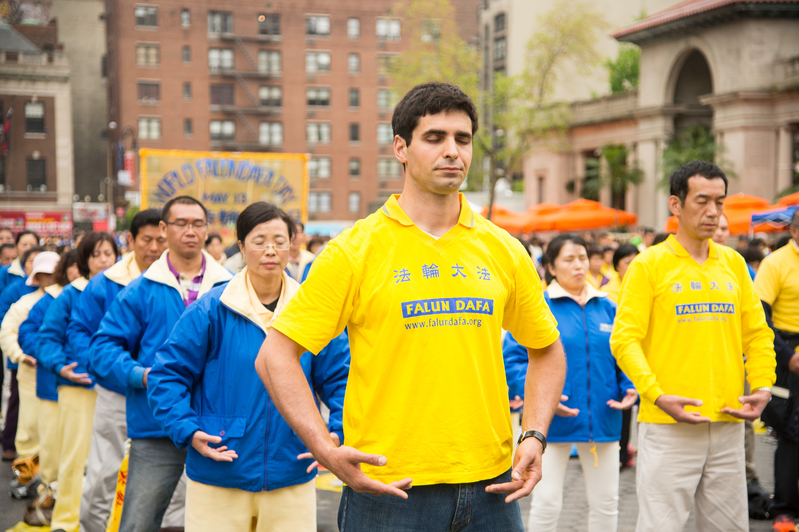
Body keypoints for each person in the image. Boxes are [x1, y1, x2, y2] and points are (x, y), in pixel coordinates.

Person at [255, 82, 566, 532]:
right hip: (389, 491)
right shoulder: (353, 251)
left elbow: (547, 349)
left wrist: (534, 433)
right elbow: (274, 356)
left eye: (462, 139)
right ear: (401, 148)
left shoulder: (504, 249)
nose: (452, 151)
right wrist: (325, 449)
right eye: (434, 138)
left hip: (493, 489)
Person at [148, 202, 350, 532]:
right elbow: (168, 375)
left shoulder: (312, 310)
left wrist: (336, 432)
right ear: (241, 246)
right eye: (259, 241)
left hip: (292, 466)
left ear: (292, 245)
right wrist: (188, 430)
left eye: (279, 241)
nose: (270, 250)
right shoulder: (212, 309)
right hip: (219, 466)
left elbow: (342, 378)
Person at [610, 160, 776, 531]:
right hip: (668, 424)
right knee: (660, 526)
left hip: (728, 422)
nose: (713, 212)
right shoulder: (649, 265)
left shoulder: (733, 264)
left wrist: (763, 386)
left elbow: (757, 334)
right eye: (702, 201)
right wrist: (656, 395)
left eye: (720, 202)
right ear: (676, 204)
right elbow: (624, 339)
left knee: (729, 527)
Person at [91, 196, 232, 532]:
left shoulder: (231, 287)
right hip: (156, 425)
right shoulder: (141, 290)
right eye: (181, 223)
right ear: (164, 229)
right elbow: (102, 348)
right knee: (139, 521)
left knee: (215, 522)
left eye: (197, 224)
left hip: (218, 426)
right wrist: (140, 375)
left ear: (207, 229)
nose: (190, 231)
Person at [504, 234, 637, 532]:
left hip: (603, 416)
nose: (579, 265)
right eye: (569, 259)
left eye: (583, 258)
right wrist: (543, 397)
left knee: (606, 502)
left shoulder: (608, 306)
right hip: (549, 423)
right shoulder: (538, 306)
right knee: (546, 502)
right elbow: (513, 360)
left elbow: (623, 353)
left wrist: (629, 386)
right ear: (551, 267)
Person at [68, 210, 169, 532]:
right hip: (116, 393)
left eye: (160, 240)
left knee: (167, 482)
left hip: (161, 398)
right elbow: (80, 331)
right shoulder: (105, 282)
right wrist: (102, 369)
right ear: (131, 240)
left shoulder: (179, 282)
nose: (154, 247)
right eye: (146, 239)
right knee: (103, 473)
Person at [38, 232, 119, 532]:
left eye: (108, 253)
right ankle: (66, 520)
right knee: (75, 457)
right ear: (84, 260)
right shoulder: (70, 294)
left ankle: (112, 521)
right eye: (96, 254)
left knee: (115, 459)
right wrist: (62, 367)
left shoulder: (127, 288)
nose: (103, 260)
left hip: (118, 388)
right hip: (79, 386)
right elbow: (47, 338)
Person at [17, 250, 79, 526]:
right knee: (53, 445)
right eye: (73, 266)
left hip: (86, 388)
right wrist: (51, 356)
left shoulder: (100, 295)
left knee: (80, 448)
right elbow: (27, 333)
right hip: (51, 386)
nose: (77, 271)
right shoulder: (50, 299)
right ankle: (50, 494)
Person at [0, 251, 59, 496]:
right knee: (29, 426)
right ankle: (27, 476)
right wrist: (20, 355)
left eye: (53, 273)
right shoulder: (25, 303)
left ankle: (51, 479)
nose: (49, 278)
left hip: (60, 377)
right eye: (44, 274)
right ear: (36, 276)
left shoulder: (69, 298)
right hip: (29, 376)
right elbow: (7, 332)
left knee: (57, 428)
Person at [754, 209, 799, 529]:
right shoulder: (776, 263)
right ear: (794, 231)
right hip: (788, 355)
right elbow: (761, 319)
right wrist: (787, 356)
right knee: (790, 432)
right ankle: (785, 507)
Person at [0, 246, 44, 462]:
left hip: (50, 367)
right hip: (22, 364)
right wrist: (19, 354)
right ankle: (12, 448)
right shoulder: (16, 292)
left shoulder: (63, 295)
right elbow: (6, 325)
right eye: (31, 262)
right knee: (19, 406)